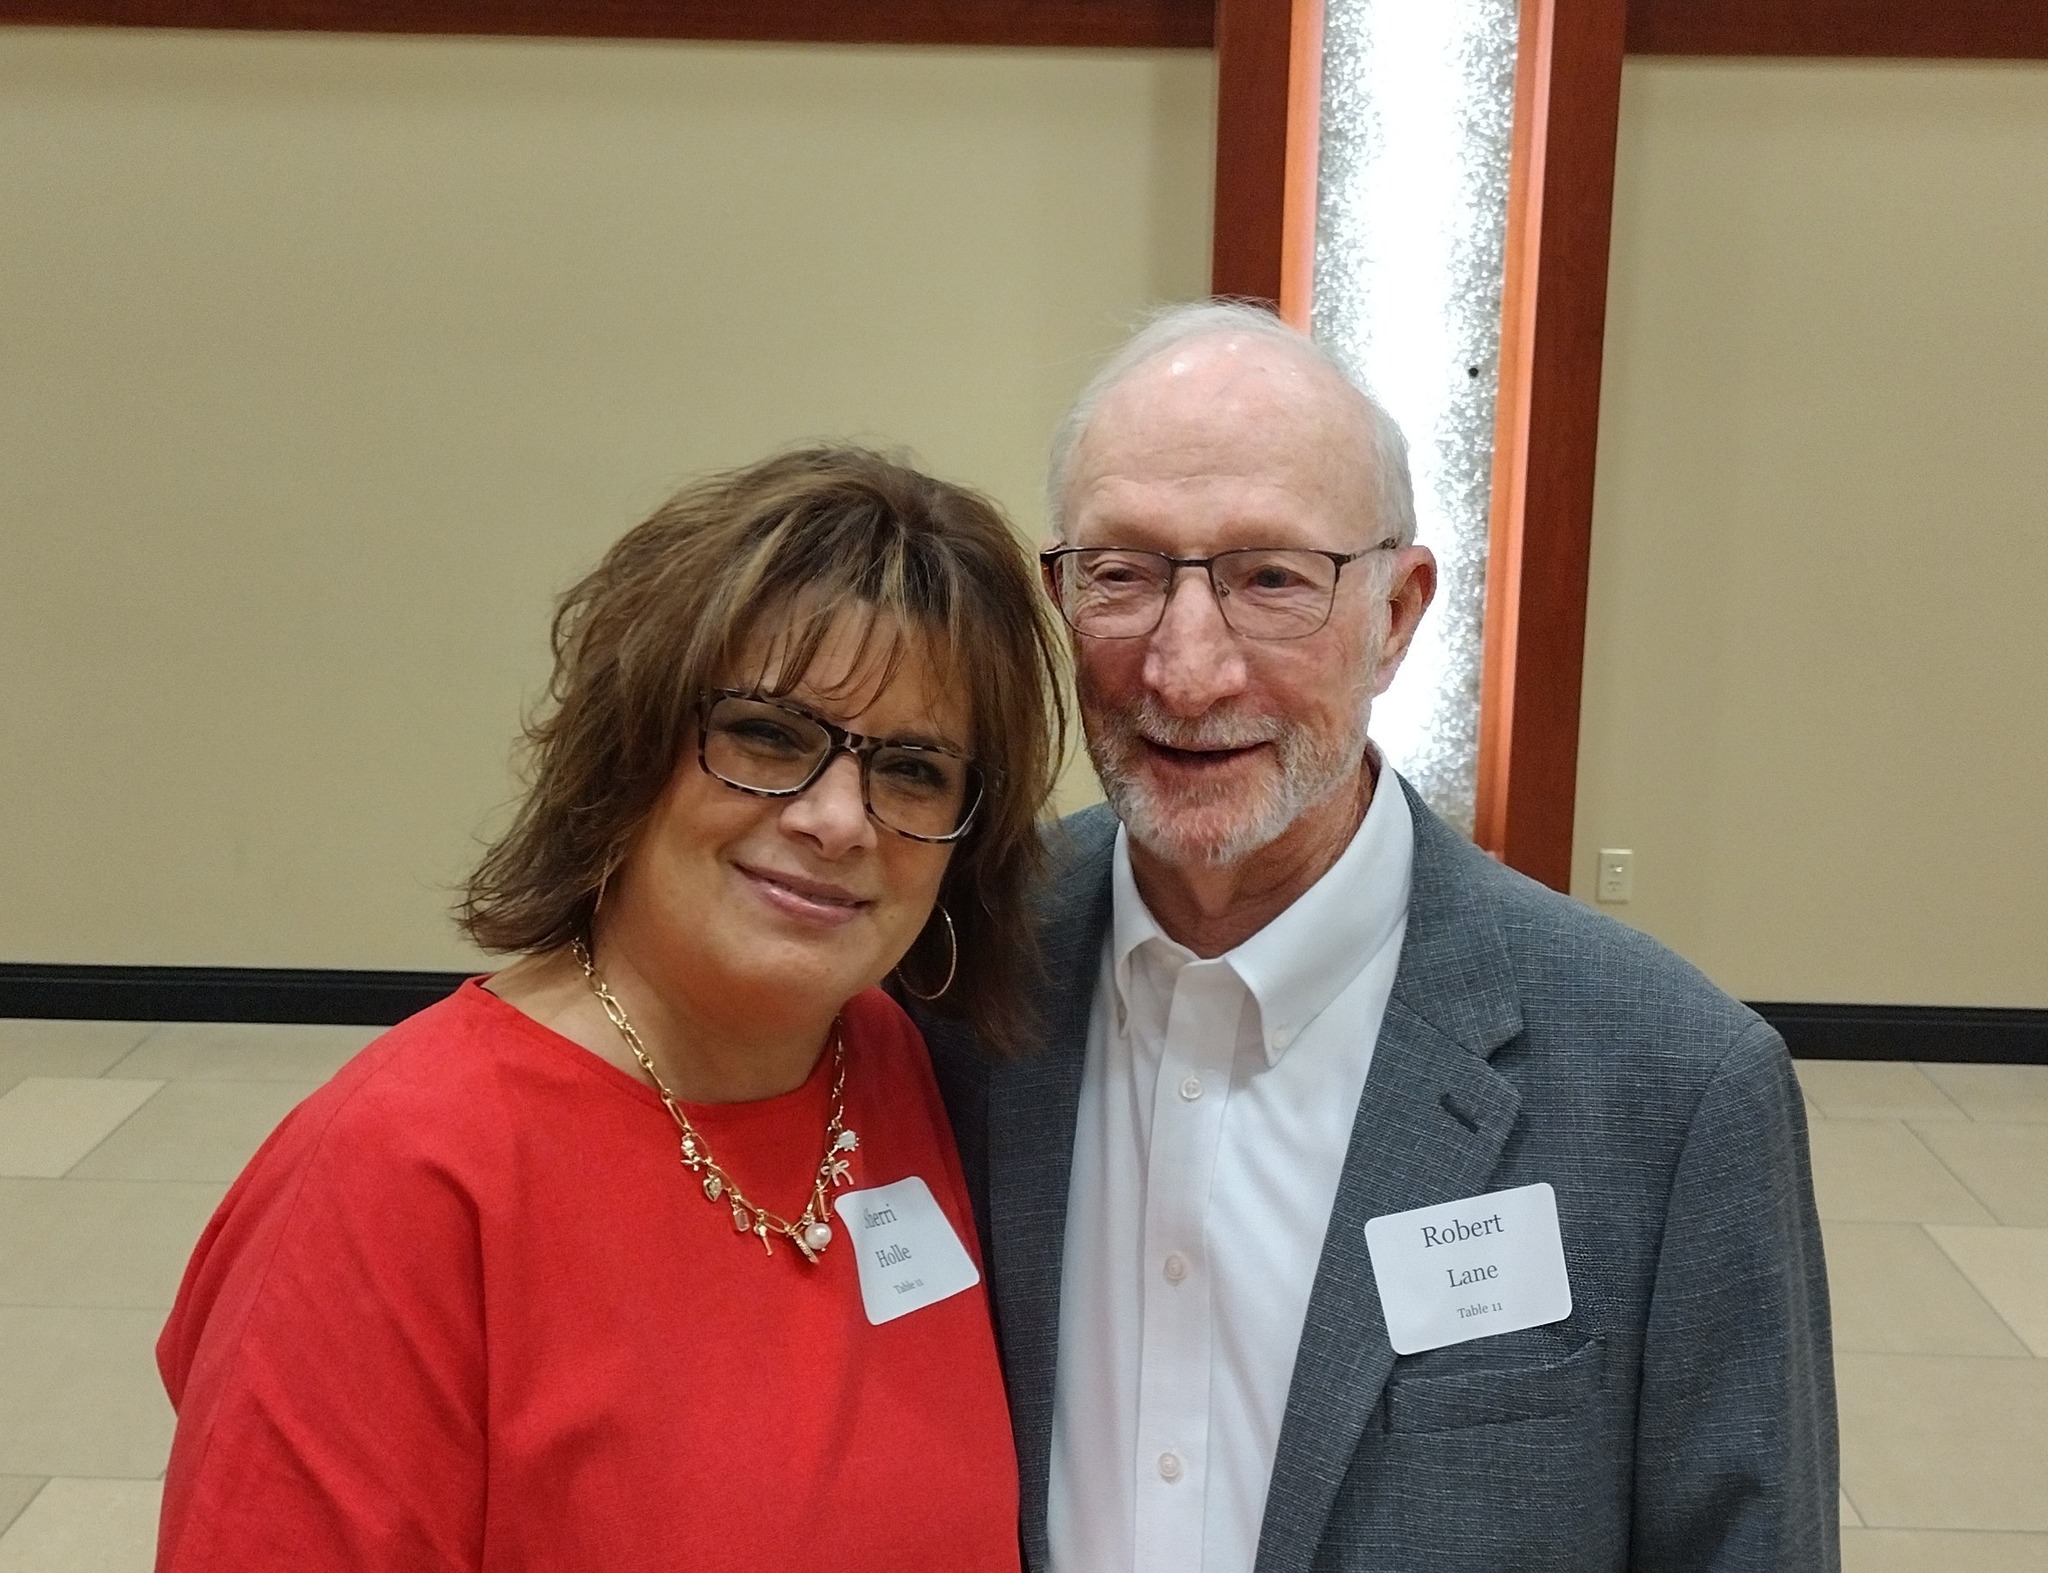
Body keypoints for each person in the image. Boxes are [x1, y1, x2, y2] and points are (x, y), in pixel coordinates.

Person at [919, 303, 1838, 1573]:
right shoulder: (950, 975)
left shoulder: (1670, 1085)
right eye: (1123, 575)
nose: (1186, 672)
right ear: (1058, 597)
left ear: (1397, 614)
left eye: (1271, 580)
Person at [154, 445, 1067, 1572]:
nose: (839, 817)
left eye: (913, 768)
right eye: (769, 734)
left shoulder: (893, 1061)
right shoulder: (397, 1173)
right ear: (628, 746)